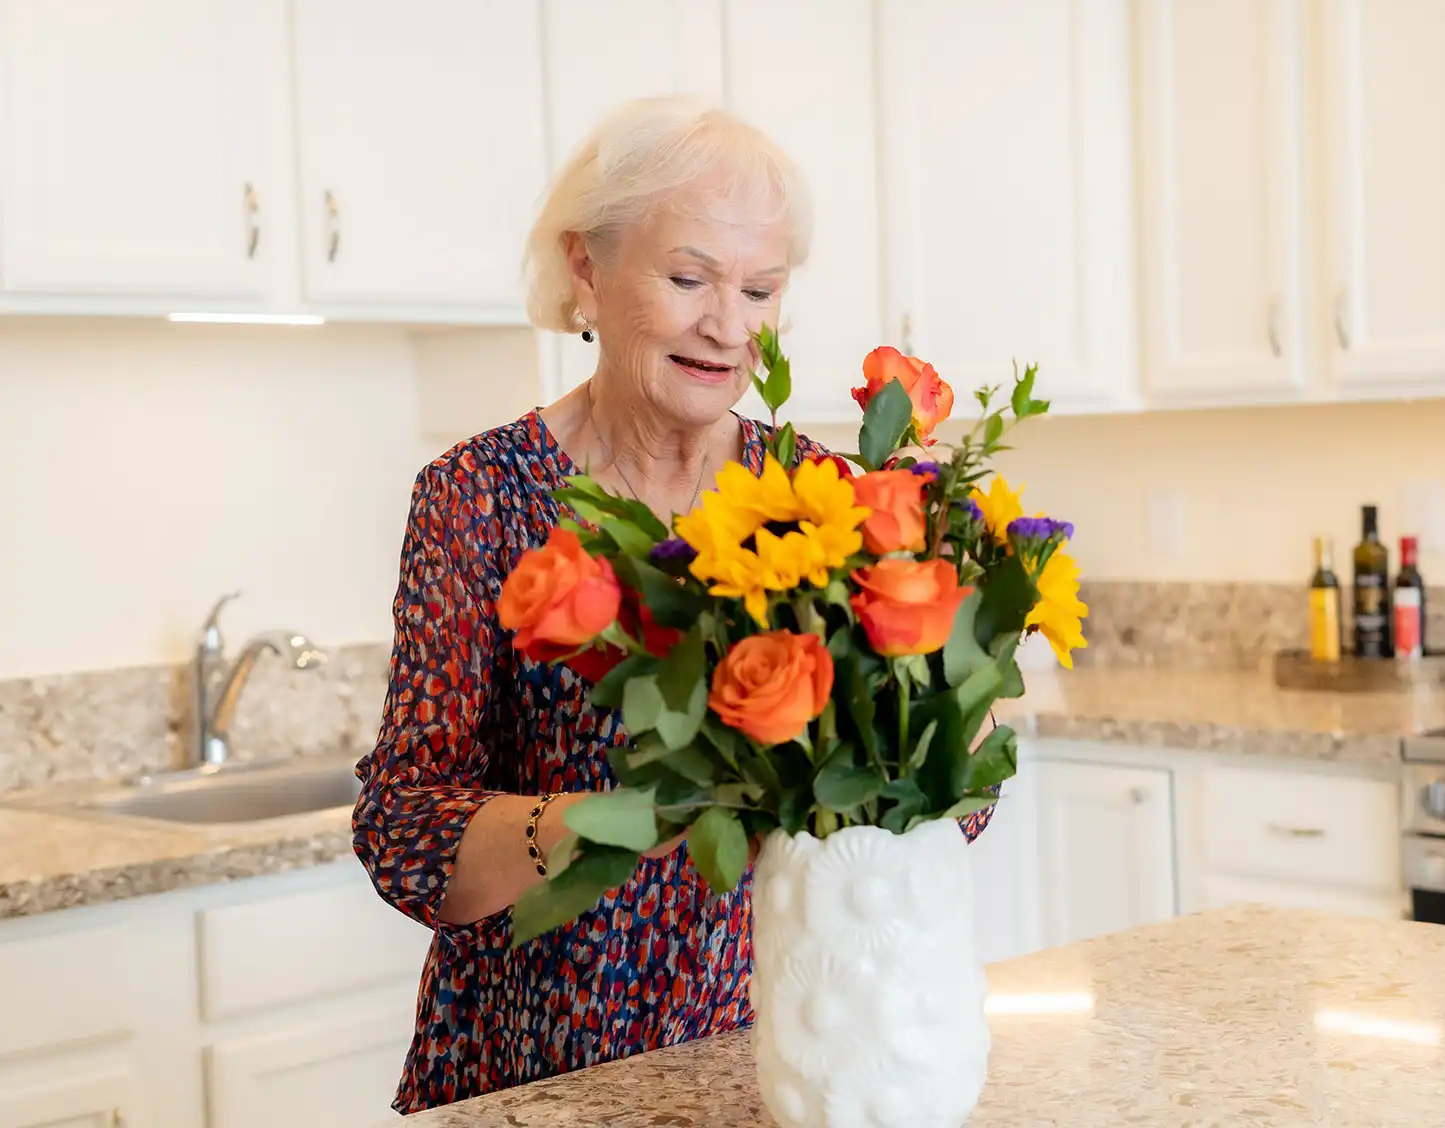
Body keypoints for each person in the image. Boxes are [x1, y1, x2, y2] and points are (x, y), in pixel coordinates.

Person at [352, 97, 995, 1115]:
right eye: (688, 278)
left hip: (782, 1056)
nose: (727, 325)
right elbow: (405, 831)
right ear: (586, 272)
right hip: (538, 1069)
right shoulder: (476, 497)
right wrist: (613, 824)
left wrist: (938, 730)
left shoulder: (825, 500)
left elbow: (946, 815)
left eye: (760, 287)